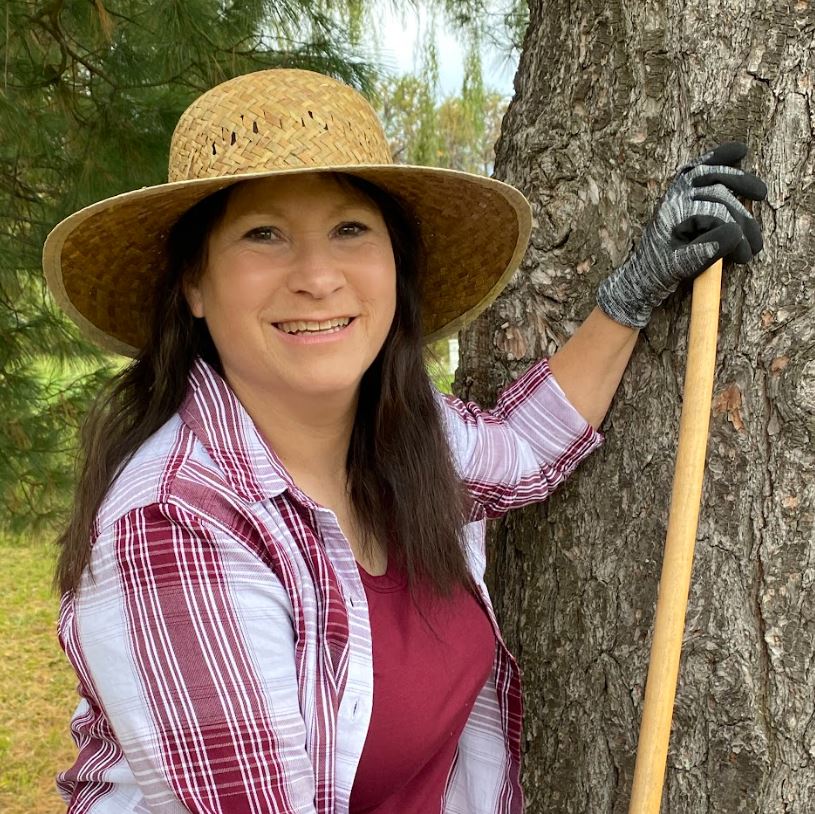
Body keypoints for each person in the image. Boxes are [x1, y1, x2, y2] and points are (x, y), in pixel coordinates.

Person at [43, 68, 766, 814]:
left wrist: (631, 294)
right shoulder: (175, 525)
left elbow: (519, 449)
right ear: (194, 284)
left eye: (350, 229)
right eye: (264, 234)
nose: (319, 277)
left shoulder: (397, 436)